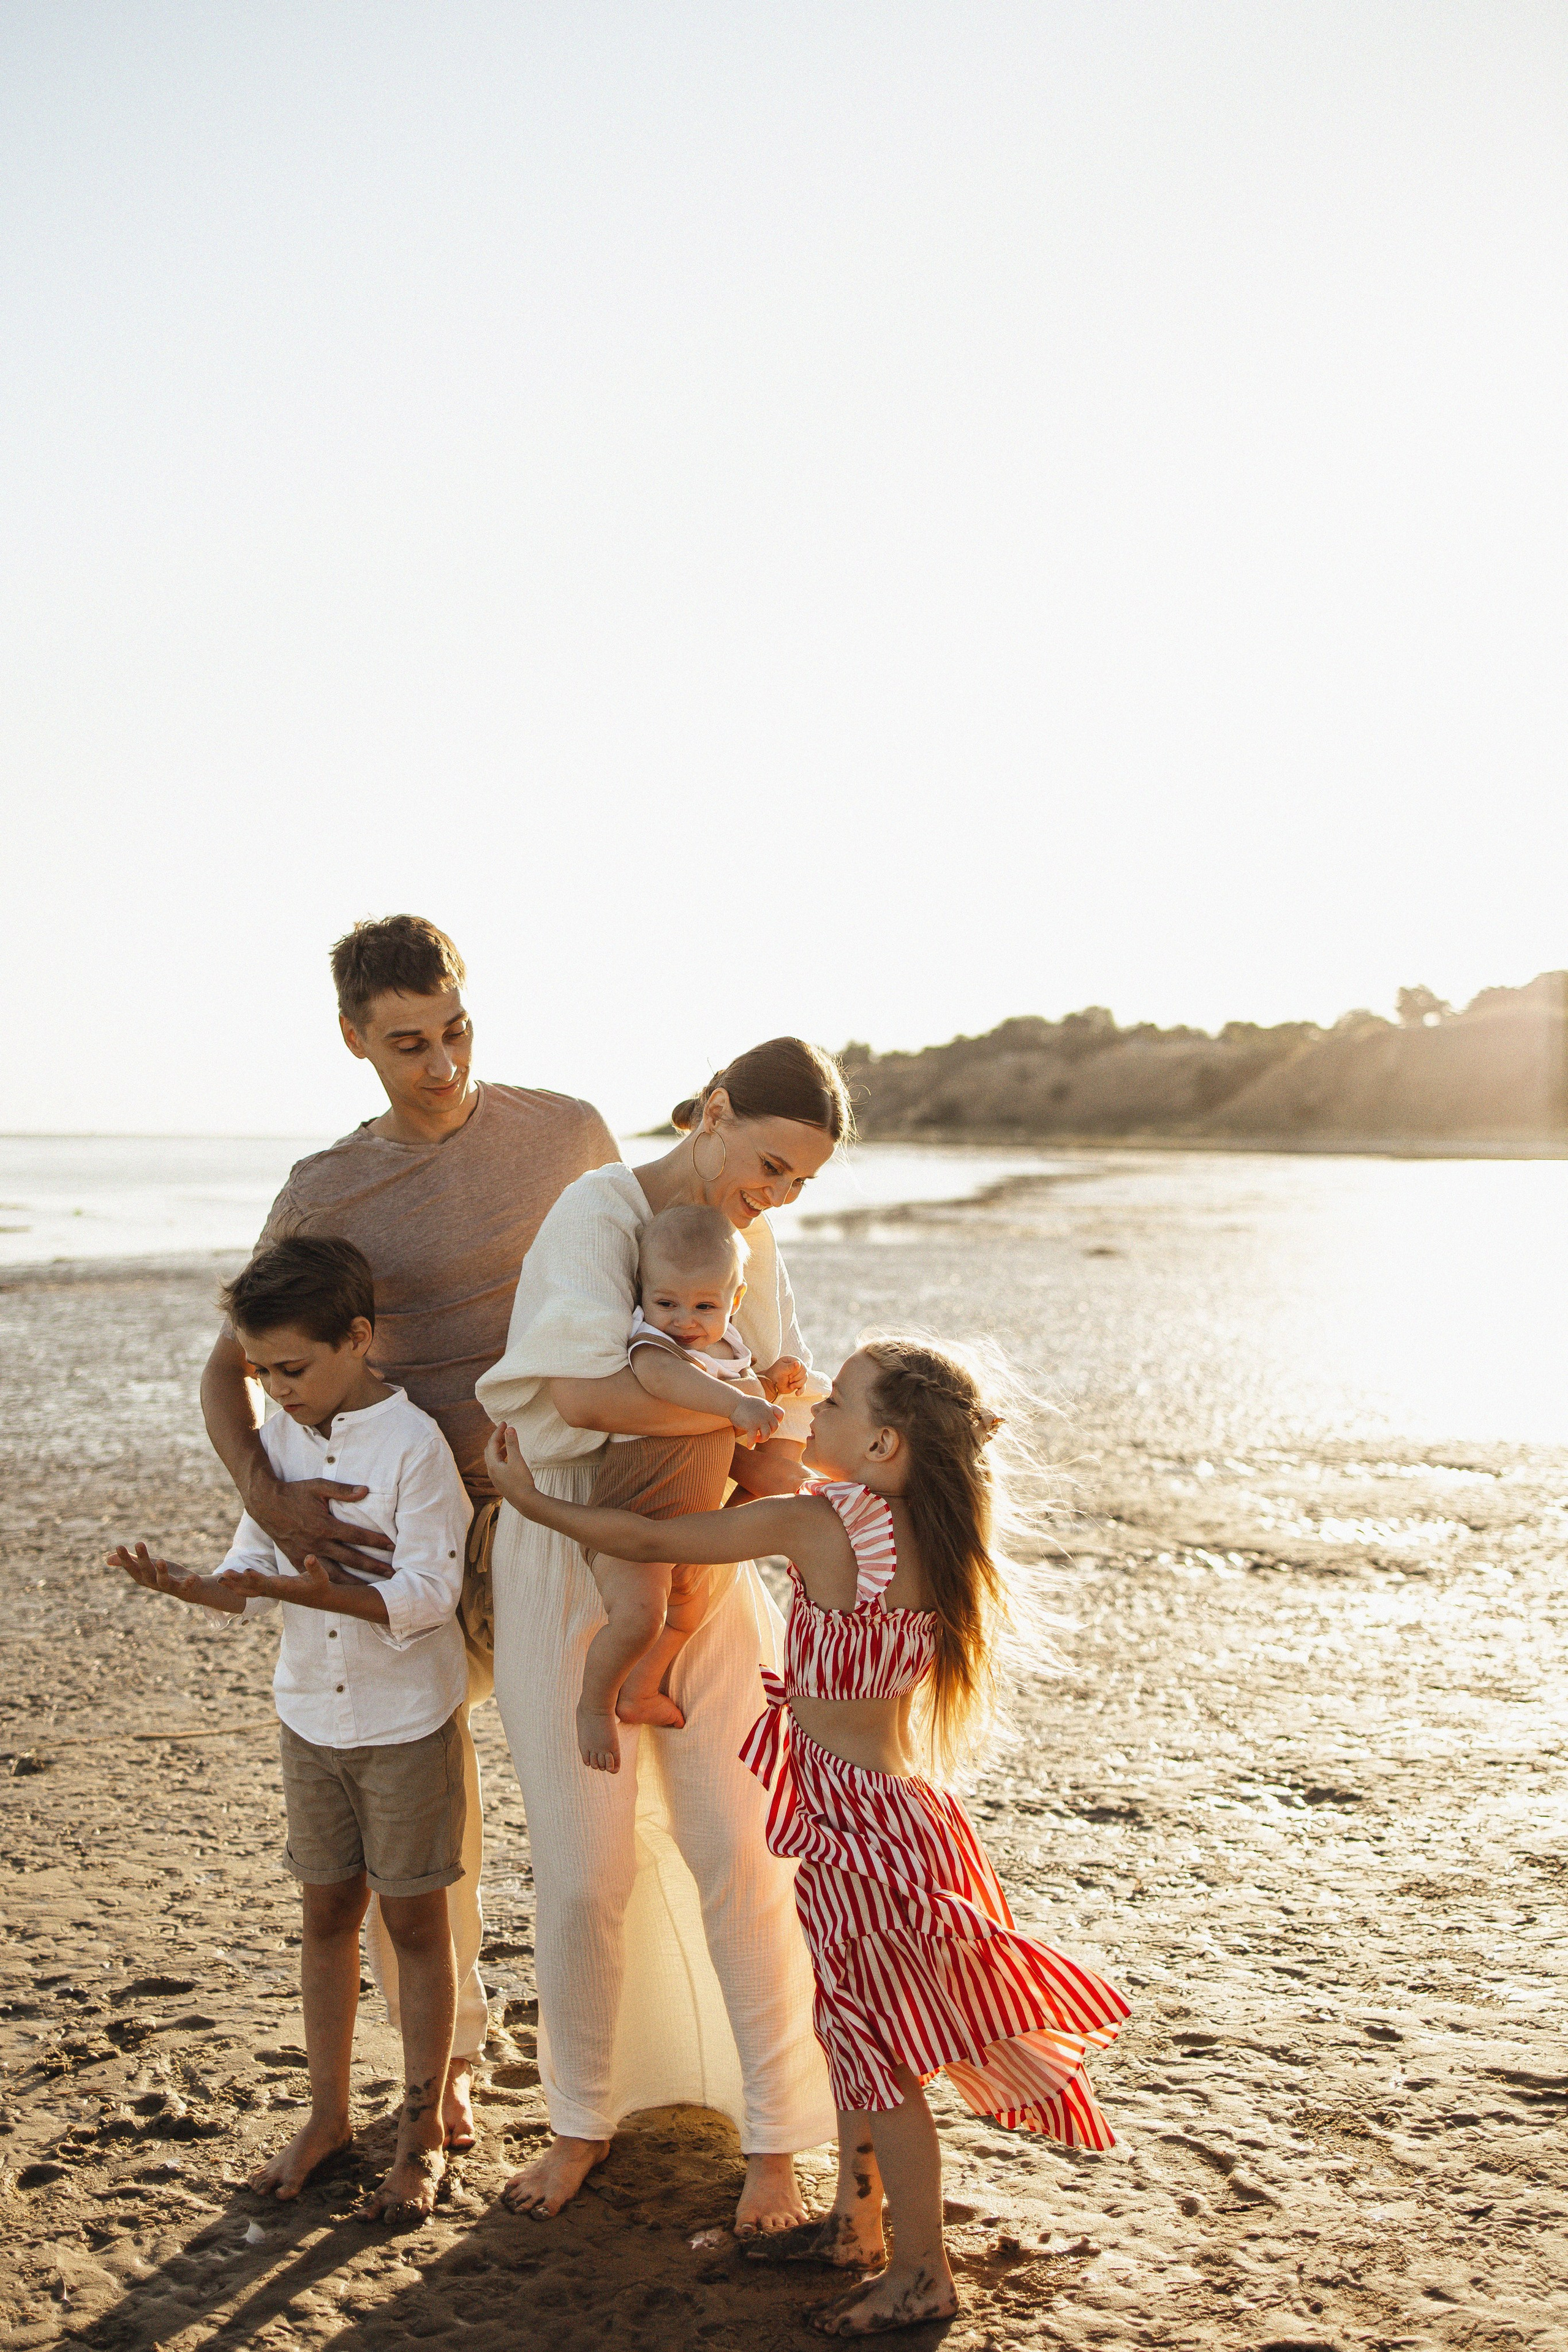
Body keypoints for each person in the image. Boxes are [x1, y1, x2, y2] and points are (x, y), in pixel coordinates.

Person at [484, 1336, 1131, 2338]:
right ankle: (854, 2227)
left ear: (881, 1444)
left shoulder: (827, 1521)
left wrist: (529, 1501)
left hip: (852, 1829)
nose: (816, 1408)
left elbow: (649, 1538)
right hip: (898, 1816)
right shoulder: (930, 1530)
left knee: (881, 2060)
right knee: (855, 2032)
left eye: (836, 1402)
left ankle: (920, 2273)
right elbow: (781, 1470)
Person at [199, 914, 619, 2150]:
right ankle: (452, 2066)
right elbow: (232, 1366)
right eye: (408, 1045)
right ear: (354, 1041)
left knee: (586, 1801)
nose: (443, 1065)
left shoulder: (568, 1134)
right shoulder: (323, 1190)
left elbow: (660, 1285)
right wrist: (265, 1494)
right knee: (421, 1829)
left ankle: (611, 2068)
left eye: (455, 1032)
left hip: (547, 1515)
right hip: (402, 1527)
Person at [472, 1038, 848, 2231]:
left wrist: (746, 1452)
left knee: (741, 1848)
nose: (778, 1195)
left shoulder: (753, 1244)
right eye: (771, 1165)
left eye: (801, 1182)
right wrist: (734, 1415)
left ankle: (776, 2140)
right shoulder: (598, 1211)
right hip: (567, 1554)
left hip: (709, 1552)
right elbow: (583, 1398)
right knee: (586, 1872)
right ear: (716, 1112)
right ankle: (580, 2121)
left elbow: (783, 1419)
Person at [108, 1237, 473, 2225]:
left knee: (414, 1927)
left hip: (404, 1722)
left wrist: (324, 1593)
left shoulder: (414, 1445)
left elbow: (431, 1596)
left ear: (357, 1339)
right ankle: (327, 2118)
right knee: (324, 1918)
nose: (275, 1389)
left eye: (292, 1369)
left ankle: (421, 2134)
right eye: (260, 1371)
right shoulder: (275, 1441)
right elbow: (250, 1574)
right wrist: (188, 1586)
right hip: (308, 1714)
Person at [574, 1202, 786, 1770]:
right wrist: (739, 1404)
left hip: (690, 1529)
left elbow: (743, 1390)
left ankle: (640, 1690)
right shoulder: (654, 1346)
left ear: (734, 1303)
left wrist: (771, 1381)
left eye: (704, 1306)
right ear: (642, 1295)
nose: (684, 1320)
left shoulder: (730, 1350)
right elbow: (665, 1381)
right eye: (666, 1302)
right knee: (639, 1618)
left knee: (687, 1614)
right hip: (634, 1521)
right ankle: (595, 1705)